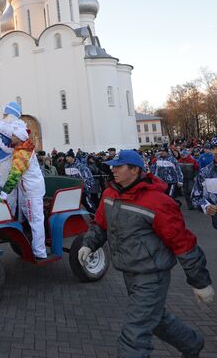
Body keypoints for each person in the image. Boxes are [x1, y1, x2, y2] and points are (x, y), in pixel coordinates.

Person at [78, 149, 213, 357]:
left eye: (118, 166)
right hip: (129, 272)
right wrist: (89, 244)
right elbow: (101, 225)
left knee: (135, 334)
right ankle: (192, 343)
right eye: (112, 166)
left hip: (152, 275)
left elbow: (183, 243)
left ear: (135, 170)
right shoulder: (109, 194)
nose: (113, 170)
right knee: (156, 319)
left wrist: (200, 282)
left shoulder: (158, 202)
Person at [0, 130, 48, 260]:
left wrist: (4, 193)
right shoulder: (22, 148)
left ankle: (39, 251)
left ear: (20, 138)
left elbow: (14, 175)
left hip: (32, 191)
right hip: (29, 190)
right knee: (29, 216)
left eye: (14, 135)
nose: (11, 136)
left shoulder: (22, 153)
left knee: (35, 220)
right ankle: (31, 244)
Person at [192, 137, 217, 220]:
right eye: (213, 148)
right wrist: (206, 206)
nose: (216, 151)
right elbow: (195, 197)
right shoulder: (205, 173)